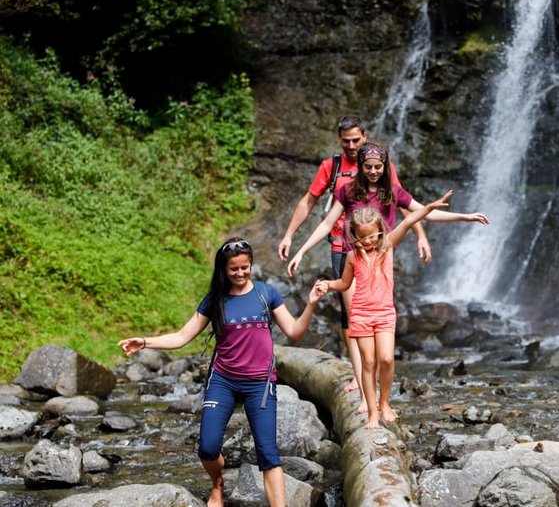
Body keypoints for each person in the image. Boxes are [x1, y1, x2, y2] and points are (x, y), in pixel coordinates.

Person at [118, 238, 326, 507]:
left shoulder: (266, 293)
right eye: (234, 269)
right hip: (223, 381)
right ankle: (217, 484)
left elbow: (295, 332)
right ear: (223, 270)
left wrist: (311, 304)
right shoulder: (215, 300)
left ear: (251, 265)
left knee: (268, 454)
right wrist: (145, 341)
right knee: (207, 448)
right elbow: (182, 337)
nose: (240, 273)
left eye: (245, 267)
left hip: (259, 385)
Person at [287, 141, 489, 413]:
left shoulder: (392, 192)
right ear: (360, 166)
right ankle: (363, 396)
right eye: (368, 167)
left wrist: (465, 217)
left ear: (385, 167)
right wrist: (302, 250)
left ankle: (381, 401)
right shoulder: (347, 190)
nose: (372, 171)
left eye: (378, 167)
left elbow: (421, 212)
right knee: (356, 327)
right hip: (353, 258)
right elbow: (326, 223)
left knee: (380, 334)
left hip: (381, 259)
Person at [277, 116, 430, 394]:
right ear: (339, 139)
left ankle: (369, 382)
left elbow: (402, 202)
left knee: (374, 308)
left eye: (356, 140)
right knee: (352, 315)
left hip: (378, 250)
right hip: (343, 246)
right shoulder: (332, 167)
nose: (350, 145)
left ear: (365, 137)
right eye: (345, 141)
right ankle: (359, 378)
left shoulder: (378, 165)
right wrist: (290, 236)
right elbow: (310, 202)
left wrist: (421, 235)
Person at [318, 192, 454, 429]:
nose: (369, 241)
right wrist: (328, 285)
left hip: (384, 313)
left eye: (372, 235)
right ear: (355, 237)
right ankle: (372, 413)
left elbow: (409, 221)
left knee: (387, 359)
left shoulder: (387, 246)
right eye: (363, 238)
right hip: (360, 313)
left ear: (380, 231)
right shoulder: (351, 256)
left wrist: (430, 206)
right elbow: (344, 284)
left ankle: (384, 402)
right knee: (368, 362)